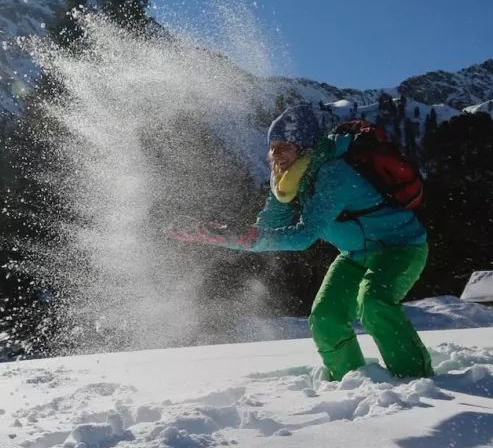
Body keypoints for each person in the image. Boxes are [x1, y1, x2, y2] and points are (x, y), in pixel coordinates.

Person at [174, 103, 434, 382]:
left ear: (305, 146)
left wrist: (241, 238)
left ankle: (415, 380)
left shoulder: (335, 173)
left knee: (374, 304)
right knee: (325, 318)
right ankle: (353, 383)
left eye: (284, 146)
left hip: (400, 247)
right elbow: (267, 229)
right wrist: (218, 234)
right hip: (354, 254)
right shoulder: (288, 180)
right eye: (272, 146)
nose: (276, 154)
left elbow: (303, 236)